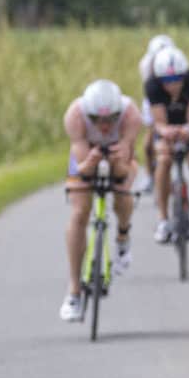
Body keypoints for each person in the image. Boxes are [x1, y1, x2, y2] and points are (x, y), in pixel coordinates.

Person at [60, 79, 144, 321]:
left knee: (123, 194)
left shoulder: (131, 115)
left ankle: (123, 236)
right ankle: (74, 291)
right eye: (97, 120)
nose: (105, 126)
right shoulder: (75, 116)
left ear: (120, 113)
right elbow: (83, 168)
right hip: (86, 155)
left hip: (121, 157)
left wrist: (118, 161)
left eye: (111, 119)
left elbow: (122, 172)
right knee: (79, 213)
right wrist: (92, 161)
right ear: (88, 114)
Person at [145, 45, 189, 243]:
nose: (172, 85)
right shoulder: (152, 86)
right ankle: (163, 219)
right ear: (159, 79)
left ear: (184, 76)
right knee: (164, 160)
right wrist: (166, 131)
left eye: (177, 80)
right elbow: (158, 122)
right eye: (167, 81)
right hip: (168, 125)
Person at [137, 33, 173, 185]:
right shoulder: (146, 65)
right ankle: (149, 175)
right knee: (149, 142)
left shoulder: (175, 61)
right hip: (154, 98)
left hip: (171, 97)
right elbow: (152, 93)